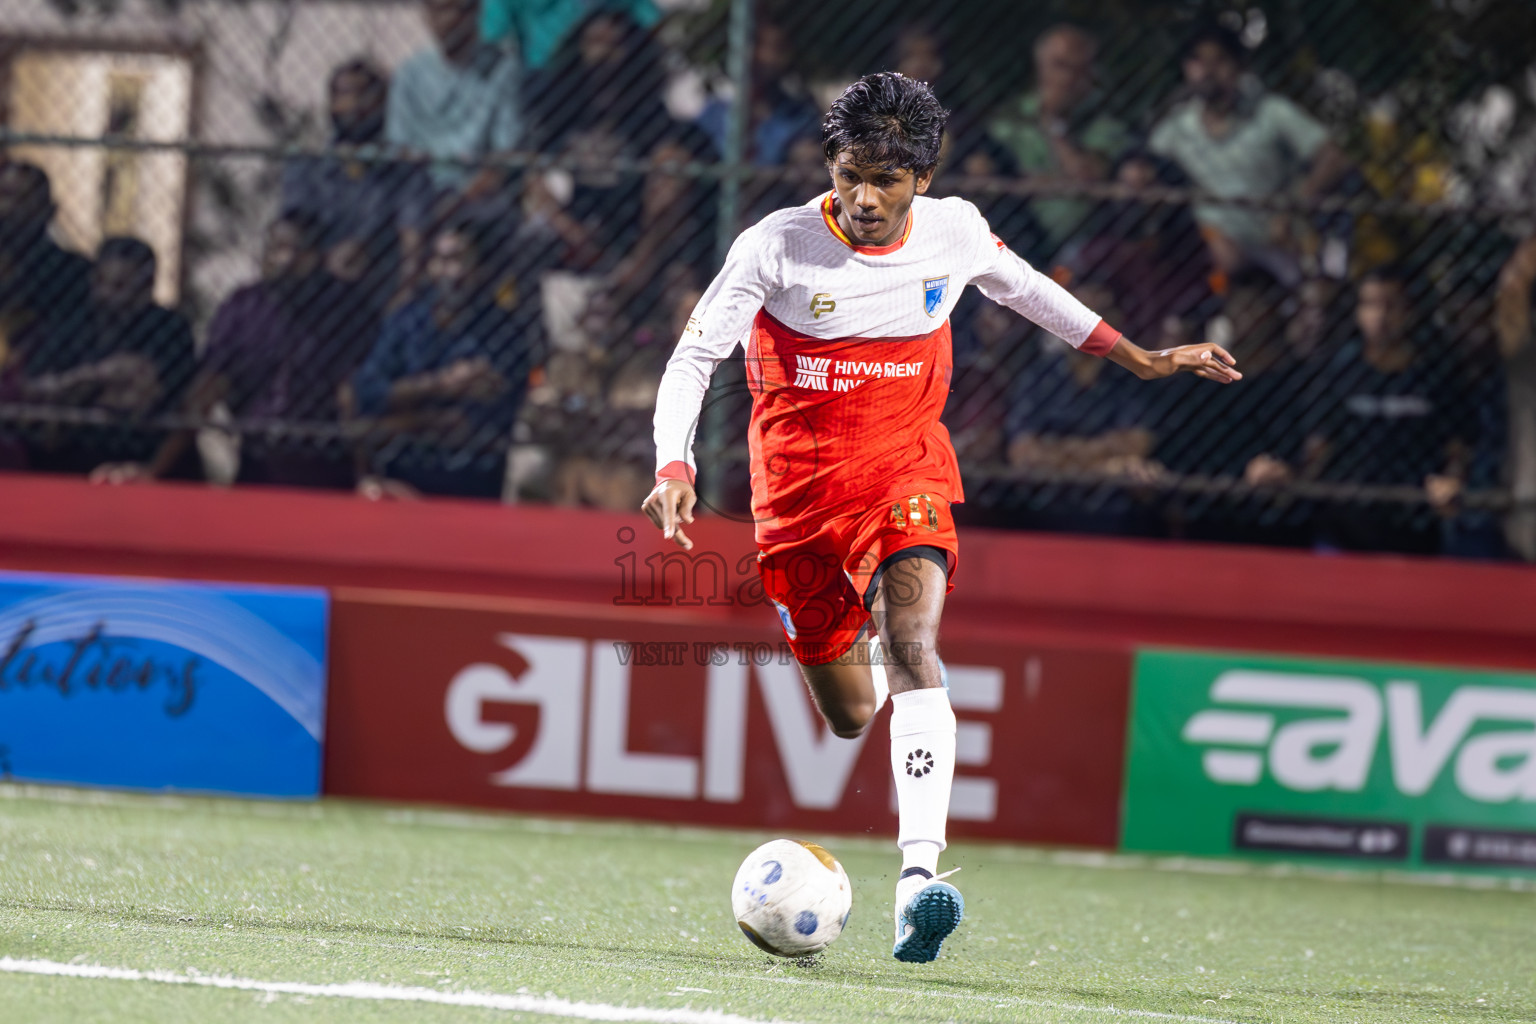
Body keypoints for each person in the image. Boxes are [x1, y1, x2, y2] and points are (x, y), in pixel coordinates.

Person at [642, 72, 1239, 963]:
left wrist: (1141, 359)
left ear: (924, 176)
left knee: (915, 644)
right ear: (831, 168)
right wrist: (675, 462)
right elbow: (695, 357)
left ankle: (919, 883)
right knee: (850, 713)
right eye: (851, 173)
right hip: (798, 503)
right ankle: (873, 679)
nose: (866, 196)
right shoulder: (776, 246)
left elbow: (1029, 289)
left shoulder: (955, 230)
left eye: (887, 177)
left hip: (904, 474)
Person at [351, 216, 541, 498]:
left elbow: (472, 425)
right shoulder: (407, 320)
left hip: (469, 478)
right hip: (402, 470)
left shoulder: (503, 332)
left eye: (458, 260)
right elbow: (366, 392)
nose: (448, 272)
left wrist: (400, 410)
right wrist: (441, 385)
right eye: (440, 260)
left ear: (481, 270)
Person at [1149, 24, 1350, 287]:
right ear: (1187, 69)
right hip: (1214, 250)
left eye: (1219, 60)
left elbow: (1333, 158)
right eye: (1198, 61)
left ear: (1239, 67)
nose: (1208, 71)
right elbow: (1146, 170)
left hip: (1279, 241)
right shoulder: (1176, 128)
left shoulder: (1271, 112)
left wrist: (1294, 204)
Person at [24, 237, 195, 476]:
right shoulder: (74, 324)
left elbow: (144, 396)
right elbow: (37, 389)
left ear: (147, 287)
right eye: (102, 282)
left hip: (141, 449)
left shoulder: (168, 327)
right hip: (73, 448)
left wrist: (79, 387)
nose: (108, 295)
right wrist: (102, 375)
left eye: (122, 286)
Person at [281, 59, 427, 305]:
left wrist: (401, 301)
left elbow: (412, 242)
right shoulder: (307, 166)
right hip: (316, 293)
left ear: (384, 103)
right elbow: (292, 232)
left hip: (379, 293)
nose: (353, 105)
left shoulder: (404, 171)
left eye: (365, 95)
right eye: (343, 95)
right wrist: (323, 260)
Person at [987, 25, 1131, 259]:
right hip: (1015, 240)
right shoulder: (1010, 118)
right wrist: (1066, 184)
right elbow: (993, 179)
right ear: (1040, 67)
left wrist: (1054, 124)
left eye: (1078, 69)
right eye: (1060, 66)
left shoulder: (1105, 124)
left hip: (1086, 247)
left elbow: (1089, 177)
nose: (1067, 78)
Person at [387, 0, 521, 233]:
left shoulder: (501, 69)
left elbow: (504, 154)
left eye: (457, 9)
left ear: (476, 12)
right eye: (438, 9)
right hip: (423, 186)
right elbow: (400, 146)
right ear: (426, 15)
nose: (448, 19)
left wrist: (461, 197)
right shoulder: (410, 74)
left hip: (475, 189)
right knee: (410, 201)